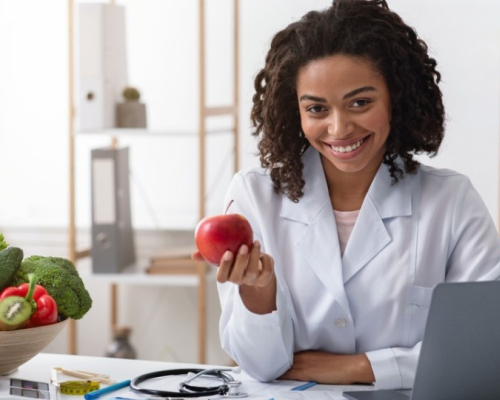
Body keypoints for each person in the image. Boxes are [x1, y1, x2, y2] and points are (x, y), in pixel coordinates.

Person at [192, 0, 500, 390]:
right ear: (296, 112)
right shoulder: (254, 195)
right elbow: (260, 366)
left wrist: (358, 368)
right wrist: (258, 292)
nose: (339, 129)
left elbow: (483, 350)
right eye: (317, 108)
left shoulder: (451, 201)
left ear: (396, 98)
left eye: (360, 102)